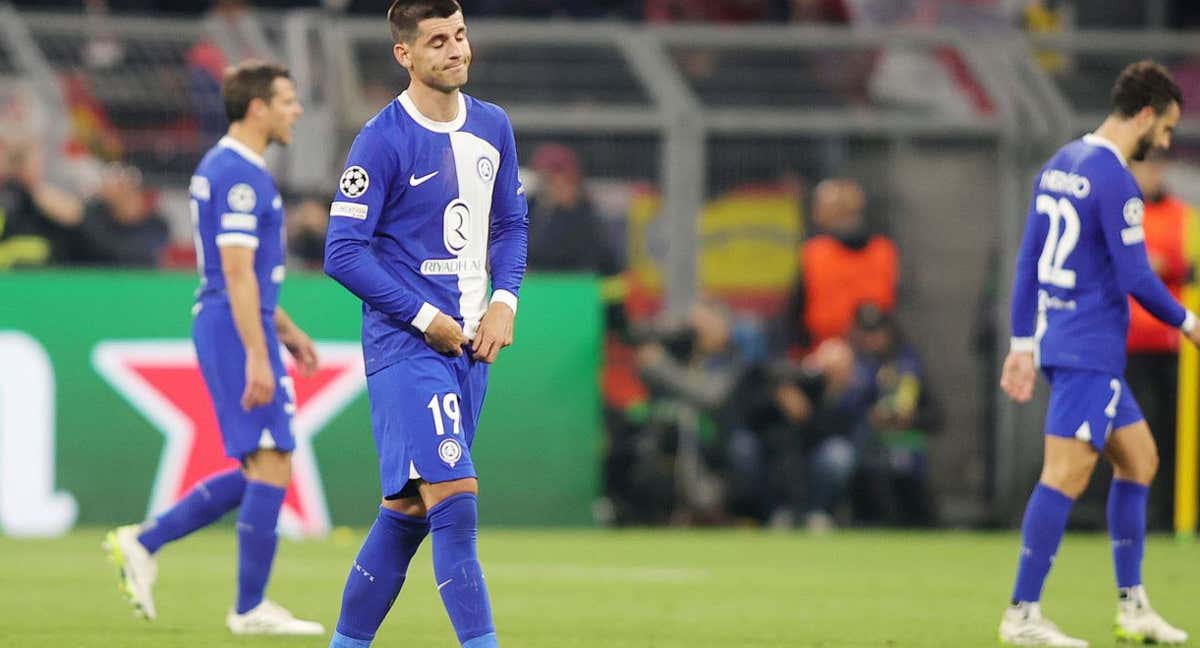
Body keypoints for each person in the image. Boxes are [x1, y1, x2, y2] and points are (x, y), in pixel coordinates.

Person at [322, 2, 527, 647]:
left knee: (408, 510)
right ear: (404, 54)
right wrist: (425, 316)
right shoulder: (380, 140)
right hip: (407, 345)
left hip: (471, 346)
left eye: (460, 35)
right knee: (456, 499)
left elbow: (511, 225)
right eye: (437, 40)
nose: (455, 49)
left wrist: (505, 299)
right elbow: (342, 251)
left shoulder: (493, 127)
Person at [102, 60, 324, 635]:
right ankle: (249, 608)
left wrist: (285, 329)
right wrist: (259, 351)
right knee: (272, 456)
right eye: (288, 100)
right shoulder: (240, 175)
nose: (296, 111)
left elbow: (247, 274)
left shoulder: (228, 168)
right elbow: (235, 272)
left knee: (263, 464)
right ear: (258, 108)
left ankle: (145, 541)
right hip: (233, 326)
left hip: (237, 320)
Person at [999, 60, 1194, 646]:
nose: (1165, 140)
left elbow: (1029, 262)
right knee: (1066, 472)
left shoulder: (1060, 163)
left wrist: (1021, 344)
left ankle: (1133, 608)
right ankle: (1022, 614)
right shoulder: (1113, 178)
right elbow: (1136, 276)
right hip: (1089, 347)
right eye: (1164, 127)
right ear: (1143, 114)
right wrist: (1190, 322)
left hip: (1065, 339)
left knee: (1139, 460)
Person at [1126, 152, 1199, 530]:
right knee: (1133, 437)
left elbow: (1179, 261)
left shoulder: (1181, 215)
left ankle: (1176, 516)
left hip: (1174, 348)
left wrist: (1156, 264)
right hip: (1128, 346)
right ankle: (1139, 518)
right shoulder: (1121, 211)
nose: (1151, 173)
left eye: (1157, 166)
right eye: (1144, 165)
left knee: (1176, 435)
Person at [65, 163, 168, 267]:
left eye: (122, 185)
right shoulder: (95, 213)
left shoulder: (157, 225)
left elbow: (131, 254)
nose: (111, 187)